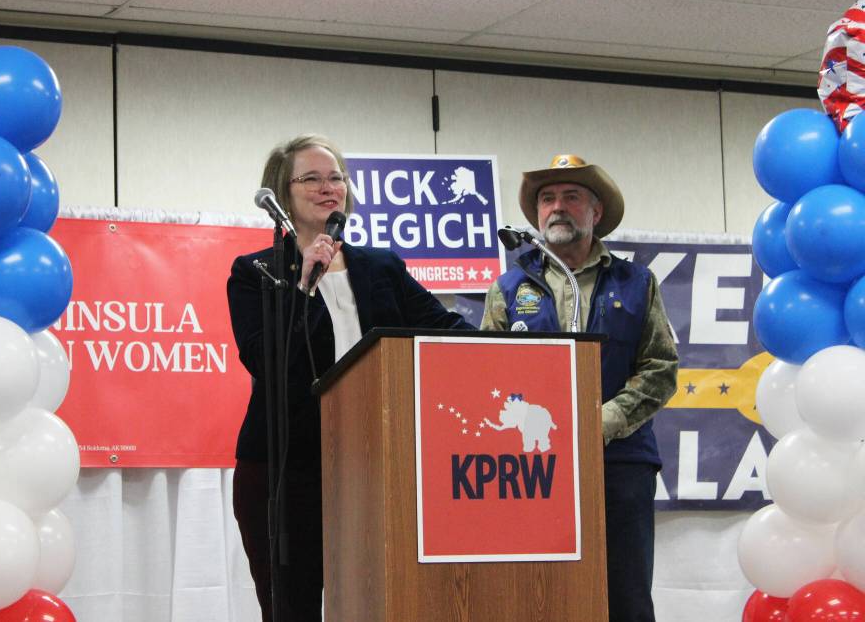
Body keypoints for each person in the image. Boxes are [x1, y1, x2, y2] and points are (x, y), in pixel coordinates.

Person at [227, 134, 471, 621]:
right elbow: (265, 360)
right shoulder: (257, 272)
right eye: (311, 178)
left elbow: (446, 329)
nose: (328, 187)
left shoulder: (381, 267)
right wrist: (303, 284)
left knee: (378, 602)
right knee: (290, 608)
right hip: (285, 470)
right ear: (282, 190)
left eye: (336, 176)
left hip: (374, 464)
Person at [480, 154, 678, 622]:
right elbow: (486, 373)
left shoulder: (636, 282)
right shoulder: (508, 288)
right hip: (531, 466)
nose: (557, 208)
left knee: (625, 597)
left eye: (571, 197)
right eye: (547, 199)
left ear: (596, 213)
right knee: (540, 594)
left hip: (620, 462)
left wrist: (603, 421)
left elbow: (661, 368)